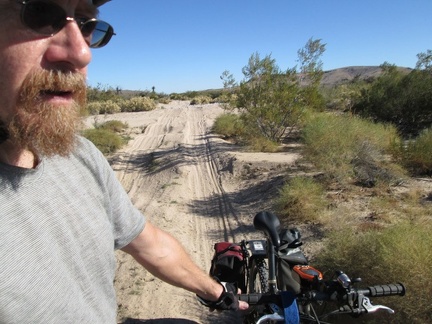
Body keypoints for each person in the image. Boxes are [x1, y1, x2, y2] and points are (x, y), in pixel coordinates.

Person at [0, 0, 248, 322]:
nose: (82, 53)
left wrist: (218, 293)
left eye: (88, 23)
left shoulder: (78, 154)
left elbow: (149, 244)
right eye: (40, 13)